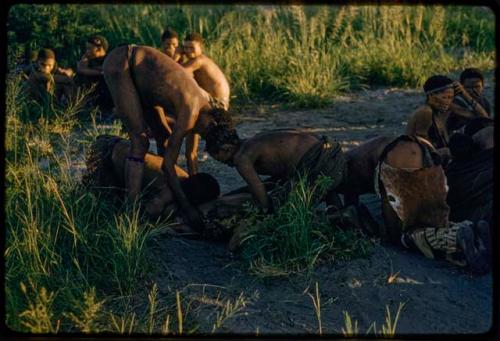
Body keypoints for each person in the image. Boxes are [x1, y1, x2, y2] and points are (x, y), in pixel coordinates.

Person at [103, 44, 233, 230]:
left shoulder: (202, 106)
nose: (198, 134)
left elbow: (188, 152)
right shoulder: (192, 111)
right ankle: (130, 214)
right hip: (123, 62)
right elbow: (168, 165)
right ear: (211, 122)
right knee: (140, 141)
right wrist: (187, 207)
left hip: (143, 81)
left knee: (163, 136)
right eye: (204, 133)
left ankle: (154, 192)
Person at [374, 134, 490, 274]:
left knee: (407, 234)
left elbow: (388, 197)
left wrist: (394, 233)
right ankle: (469, 230)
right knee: (433, 220)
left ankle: (456, 236)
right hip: (426, 151)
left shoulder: (357, 164)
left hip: (402, 156)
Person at [204, 127, 347, 213]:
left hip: (320, 162)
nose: (224, 163)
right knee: (318, 188)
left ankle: (341, 217)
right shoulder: (253, 142)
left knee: (282, 209)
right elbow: (276, 180)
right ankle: (341, 213)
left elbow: (263, 201)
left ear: (226, 149)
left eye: (219, 158)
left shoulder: (242, 158)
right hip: (333, 152)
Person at [405, 75, 455, 165]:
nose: (448, 102)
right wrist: (440, 152)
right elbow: (420, 141)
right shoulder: (426, 112)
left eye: (450, 98)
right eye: (444, 97)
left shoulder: (438, 112)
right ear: (431, 96)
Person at [181, 32, 230, 111]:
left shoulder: (199, 60)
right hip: (215, 100)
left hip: (218, 103)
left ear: (201, 47)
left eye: (191, 48)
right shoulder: (195, 60)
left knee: (184, 83)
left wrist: (177, 55)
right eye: (185, 48)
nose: (188, 51)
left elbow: (178, 72)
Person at [76, 34, 114, 112]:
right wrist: (99, 72)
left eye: (89, 49)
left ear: (99, 49)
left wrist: (91, 70)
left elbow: (107, 71)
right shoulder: (89, 59)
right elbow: (80, 69)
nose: (87, 51)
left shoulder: (109, 59)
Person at [447, 68, 491, 134]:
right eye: (467, 87)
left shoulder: (484, 102)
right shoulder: (456, 101)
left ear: (483, 86)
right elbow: (483, 118)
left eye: (477, 87)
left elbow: (486, 122)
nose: (472, 91)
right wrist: (466, 95)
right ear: (461, 87)